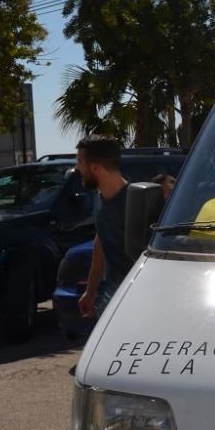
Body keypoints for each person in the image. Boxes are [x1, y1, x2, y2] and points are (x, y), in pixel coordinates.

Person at [76, 135, 130, 318]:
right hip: (111, 294)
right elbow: (100, 243)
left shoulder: (136, 202)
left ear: (95, 168)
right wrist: (90, 291)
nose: (77, 168)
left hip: (136, 298)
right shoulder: (98, 197)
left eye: (80, 162)